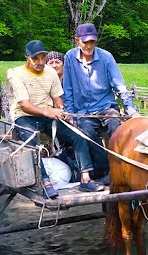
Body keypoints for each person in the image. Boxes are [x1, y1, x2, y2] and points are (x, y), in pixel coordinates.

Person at [9, 39, 106, 197]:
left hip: (48, 116)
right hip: (25, 117)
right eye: (36, 59)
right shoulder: (15, 74)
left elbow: (57, 98)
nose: (40, 62)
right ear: (27, 58)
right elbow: (24, 105)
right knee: (32, 145)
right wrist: (49, 112)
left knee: (78, 136)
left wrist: (61, 110)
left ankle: (86, 179)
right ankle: (45, 182)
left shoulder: (50, 72)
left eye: (42, 57)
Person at [62, 23, 140, 183]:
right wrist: (70, 114)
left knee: (116, 128)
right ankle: (108, 169)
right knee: (85, 133)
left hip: (106, 107)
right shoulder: (70, 57)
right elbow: (67, 88)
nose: (89, 45)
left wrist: (130, 109)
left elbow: (119, 85)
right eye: (85, 42)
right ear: (77, 40)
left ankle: (123, 168)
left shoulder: (106, 57)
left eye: (92, 42)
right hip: (82, 111)